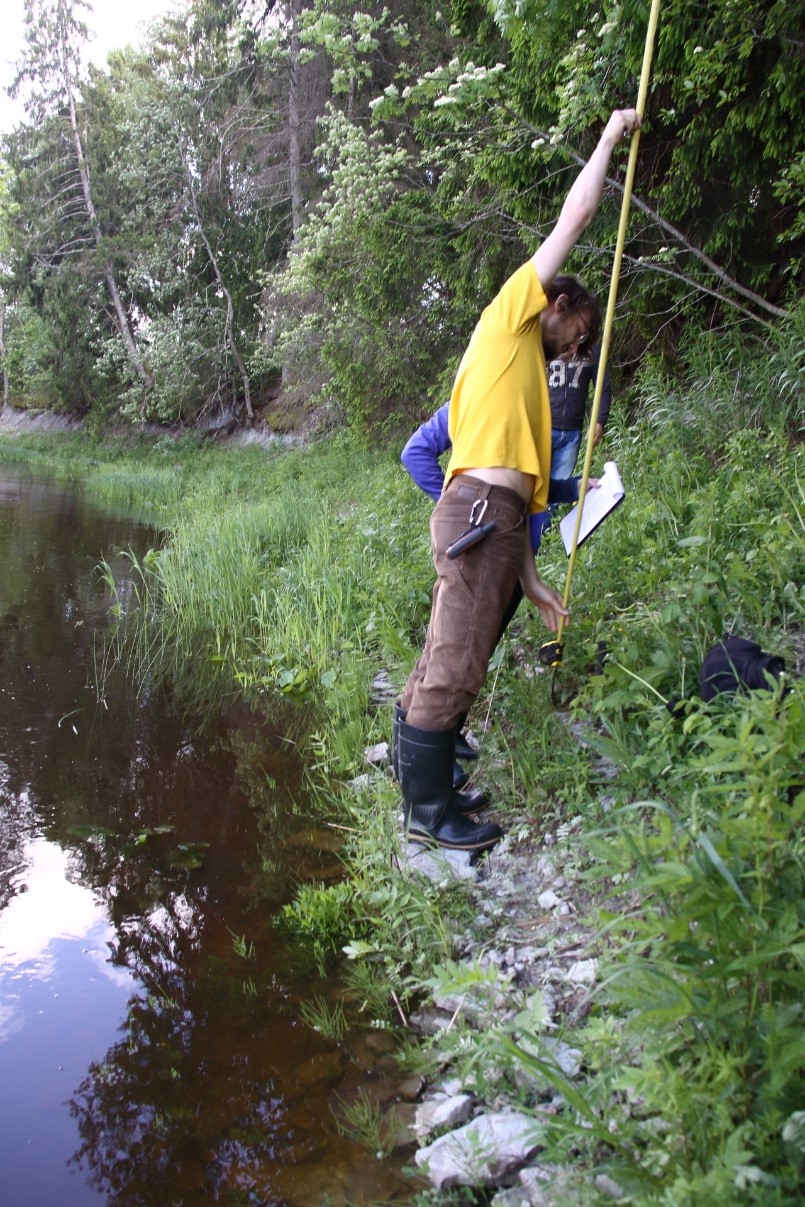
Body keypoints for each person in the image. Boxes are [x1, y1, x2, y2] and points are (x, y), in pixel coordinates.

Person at [394, 106, 641, 853]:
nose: (580, 344)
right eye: (579, 329)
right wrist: (606, 138)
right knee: (455, 663)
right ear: (555, 305)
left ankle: (427, 789)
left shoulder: (523, 379)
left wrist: (529, 579)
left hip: (490, 518)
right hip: (475, 509)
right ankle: (427, 811)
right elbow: (578, 211)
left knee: (451, 655)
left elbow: (522, 495)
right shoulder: (509, 318)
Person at [399, 402, 592, 800]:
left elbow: (524, 486)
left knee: (462, 654)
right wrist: (466, 508)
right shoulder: (482, 394)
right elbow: (415, 453)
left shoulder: (529, 411)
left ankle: (429, 752)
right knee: (455, 661)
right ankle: (429, 783)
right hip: (483, 546)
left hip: (511, 555)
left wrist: (573, 488)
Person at [548, 344, 612, 482]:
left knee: (558, 488)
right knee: (534, 484)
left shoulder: (592, 350)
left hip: (572, 433)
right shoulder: (548, 340)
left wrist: (599, 421)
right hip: (543, 428)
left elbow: (603, 389)